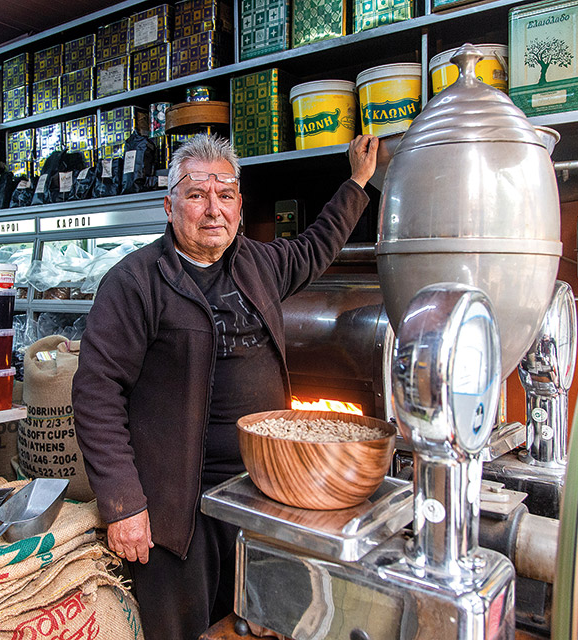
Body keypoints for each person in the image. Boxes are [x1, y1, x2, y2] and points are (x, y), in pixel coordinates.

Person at [72, 133, 379, 639]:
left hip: (257, 495)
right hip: (177, 507)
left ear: (240, 204)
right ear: (169, 206)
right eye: (196, 195)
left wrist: (358, 181)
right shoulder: (134, 283)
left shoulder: (258, 263)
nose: (213, 209)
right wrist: (124, 504)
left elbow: (317, 244)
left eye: (226, 194)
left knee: (254, 624)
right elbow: (96, 393)